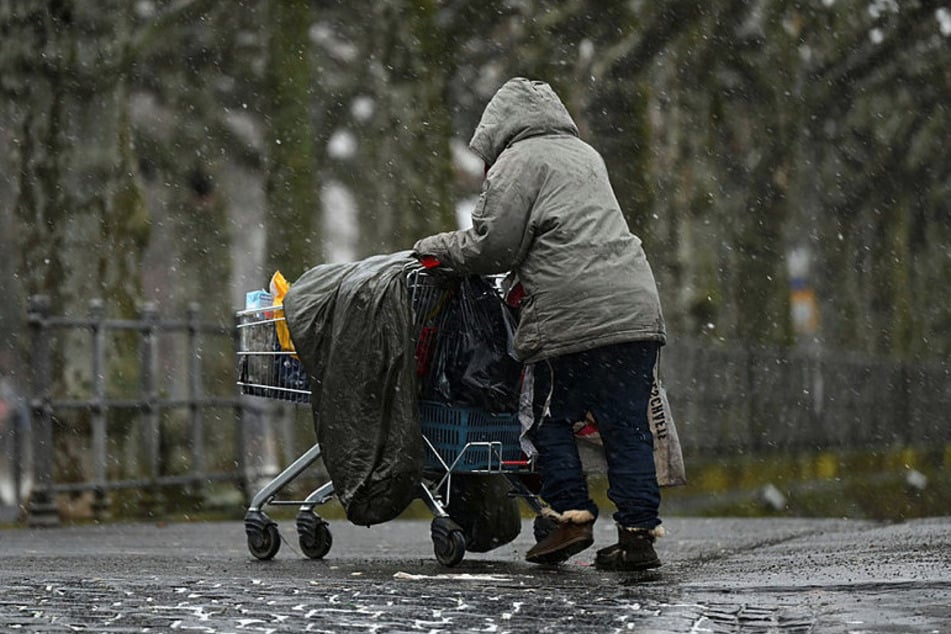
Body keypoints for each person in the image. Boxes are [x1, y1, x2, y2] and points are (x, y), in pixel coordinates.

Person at [413, 77, 667, 571]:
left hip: (571, 312)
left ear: (497, 129)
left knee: (547, 418)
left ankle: (569, 517)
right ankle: (638, 537)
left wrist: (434, 248)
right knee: (626, 429)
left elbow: (495, 246)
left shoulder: (517, 161)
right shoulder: (585, 154)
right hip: (636, 309)